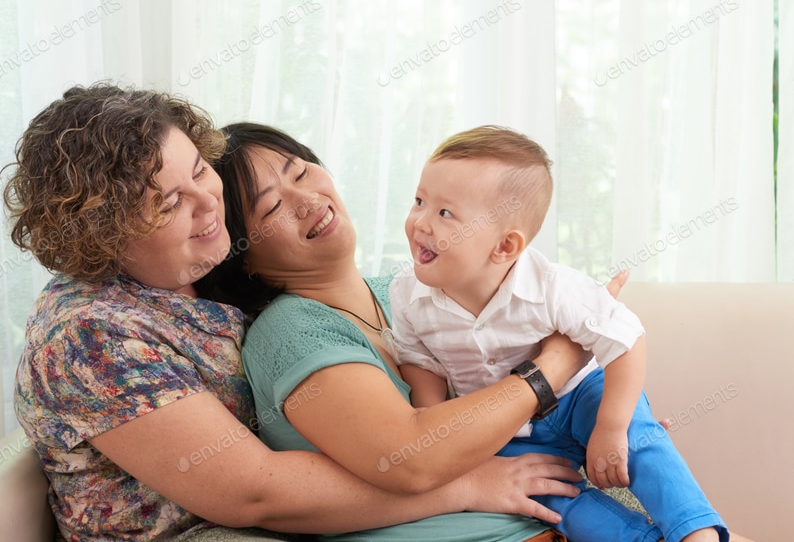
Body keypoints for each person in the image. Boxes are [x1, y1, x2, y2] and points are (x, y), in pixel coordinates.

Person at [4, 84, 592, 542]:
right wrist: (466, 482)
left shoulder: (213, 280)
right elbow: (255, 493)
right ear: (105, 236)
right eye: (170, 201)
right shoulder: (89, 335)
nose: (211, 204)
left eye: (200, 171)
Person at [202, 122, 668, 542]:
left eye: (300, 173)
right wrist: (558, 360)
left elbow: (493, 409)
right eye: (273, 207)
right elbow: (410, 455)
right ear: (242, 254)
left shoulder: (406, 293)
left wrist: (604, 422)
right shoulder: (289, 330)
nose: (307, 201)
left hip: (561, 518)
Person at [387, 125, 728, 542]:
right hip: (504, 431)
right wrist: (435, 430)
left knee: (641, 440)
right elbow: (419, 363)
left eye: (444, 213)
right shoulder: (406, 295)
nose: (420, 222)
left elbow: (626, 339)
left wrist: (611, 426)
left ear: (506, 247)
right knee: (551, 501)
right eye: (419, 201)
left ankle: (696, 531)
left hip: (579, 397)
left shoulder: (553, 287)